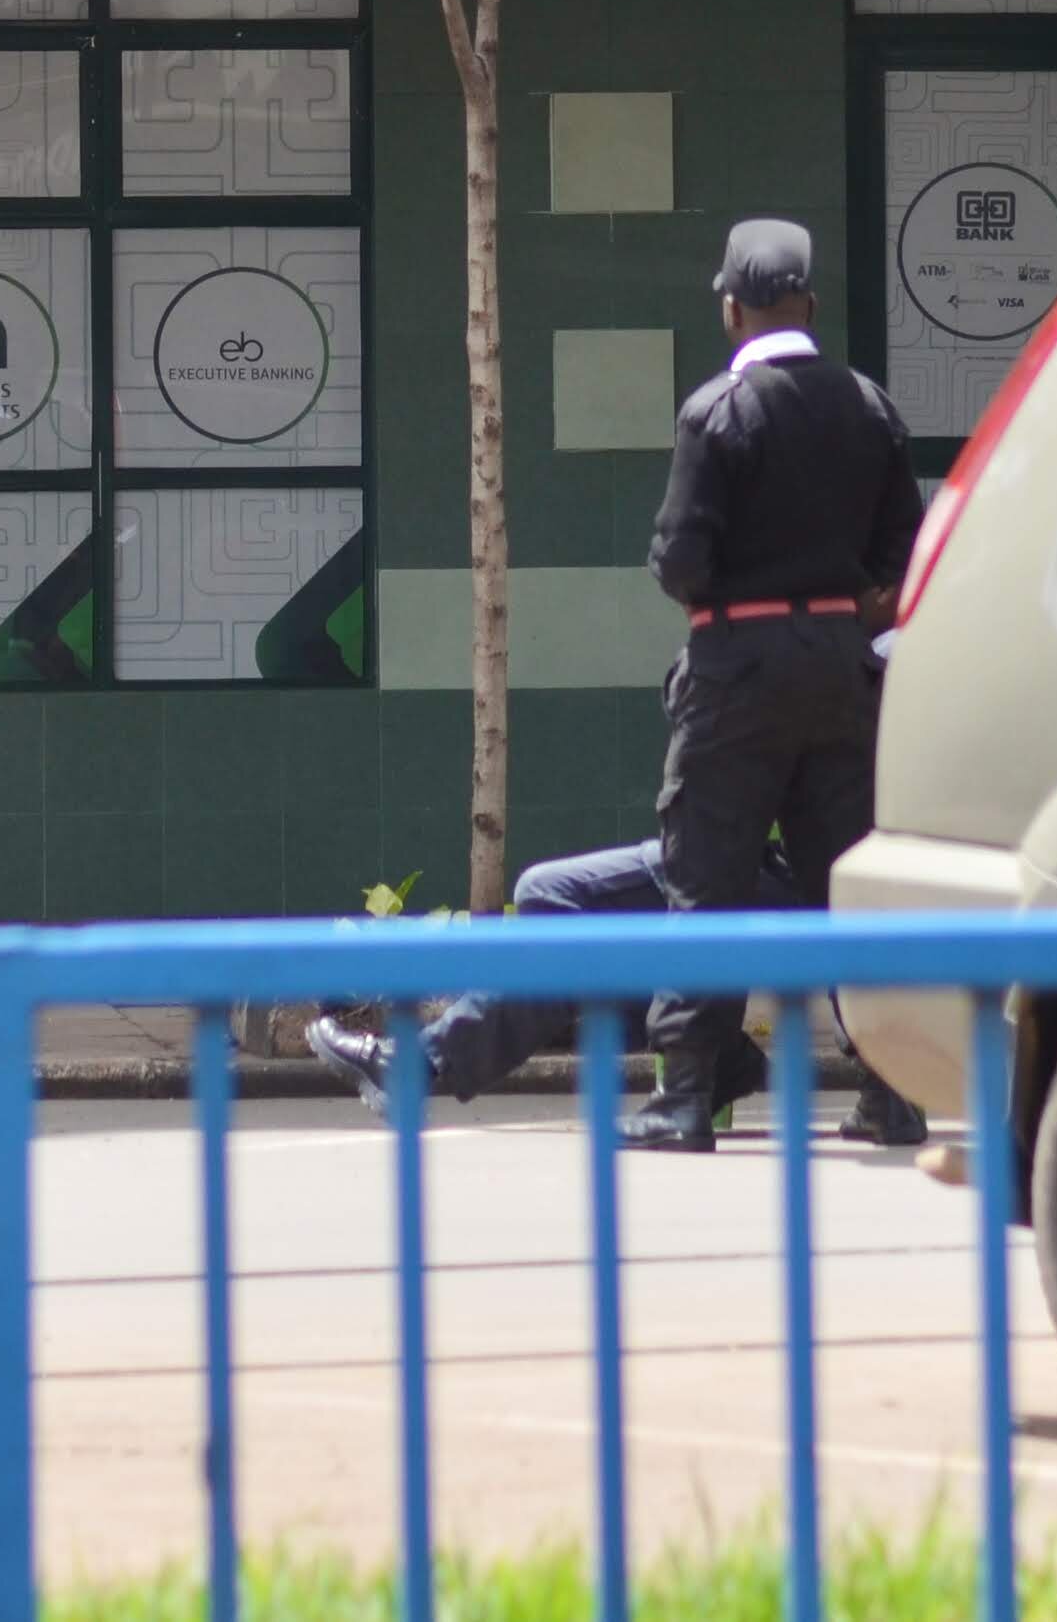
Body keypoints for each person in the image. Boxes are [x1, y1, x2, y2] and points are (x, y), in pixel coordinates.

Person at [629, 216, 922, 1152]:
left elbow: (680, 560)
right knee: (851, 884)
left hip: (734, 674)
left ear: (730, 308)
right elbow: (899, 549)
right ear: (812, 303)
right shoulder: (871, 406)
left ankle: (684, 1099)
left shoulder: (716, 411)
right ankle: (893, 1093)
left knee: (703, 878)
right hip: (842, 672)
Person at [306, 832, 926, 1145]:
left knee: (552, 896)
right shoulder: (884, 656)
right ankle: (724, 1066)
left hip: (762, 872)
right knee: (584, 926)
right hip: (811, 879)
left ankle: (421, 1063)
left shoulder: (787, 641)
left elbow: (730, 795)